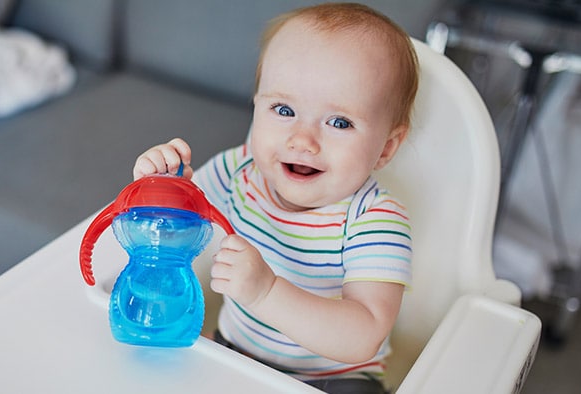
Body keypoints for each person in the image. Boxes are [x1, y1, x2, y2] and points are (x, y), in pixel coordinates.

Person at [132, 3, 418, 393]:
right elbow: (177, 222)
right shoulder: (241, 170)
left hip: (335, 378)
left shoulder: (374, 219)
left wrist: (266, 292)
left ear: (386, 147)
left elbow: (363, 334)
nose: (302, 140)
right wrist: (163, 185)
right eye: (283, 109)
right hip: (237, 352)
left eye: (339, 122)